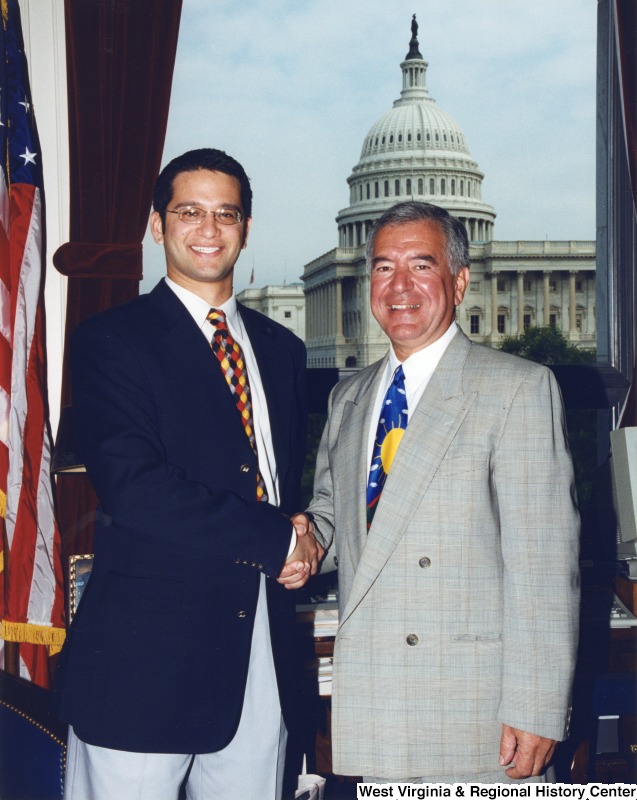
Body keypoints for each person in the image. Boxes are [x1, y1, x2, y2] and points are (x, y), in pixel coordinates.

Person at [54, 148, 322, 800]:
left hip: (257, 646)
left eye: (225, 214)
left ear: (246, 228)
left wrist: (306, 532)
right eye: (189, 212)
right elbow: (134, 486)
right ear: (157, 224)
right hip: (143, 663)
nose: (208, 230)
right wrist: (276, 539)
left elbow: (277, 482)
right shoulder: (109, 340)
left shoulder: (281, 349)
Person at [299, 201, 580, 784]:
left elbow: (544, 567)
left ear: (458, 281)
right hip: (370, 698)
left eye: (420, 266)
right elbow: (336, 519)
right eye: (382, 268)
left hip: (472, 709)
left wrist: (537, 708)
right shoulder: (346, 398)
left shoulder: (517, 389)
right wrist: (300, 543)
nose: (398, 286)